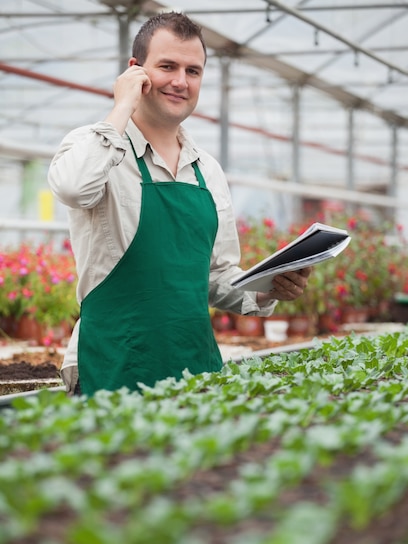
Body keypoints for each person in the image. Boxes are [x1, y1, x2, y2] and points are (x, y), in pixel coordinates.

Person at [48, 11, 311, 396]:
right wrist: (121, 105)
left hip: (197, 368)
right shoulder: (95, 146)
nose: (180, 81)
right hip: (114, 364)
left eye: (193, 71)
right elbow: (72, 188)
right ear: (135, 71)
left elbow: (215, 278)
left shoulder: (208, 170)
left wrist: (271, 287)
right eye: (167, 66)